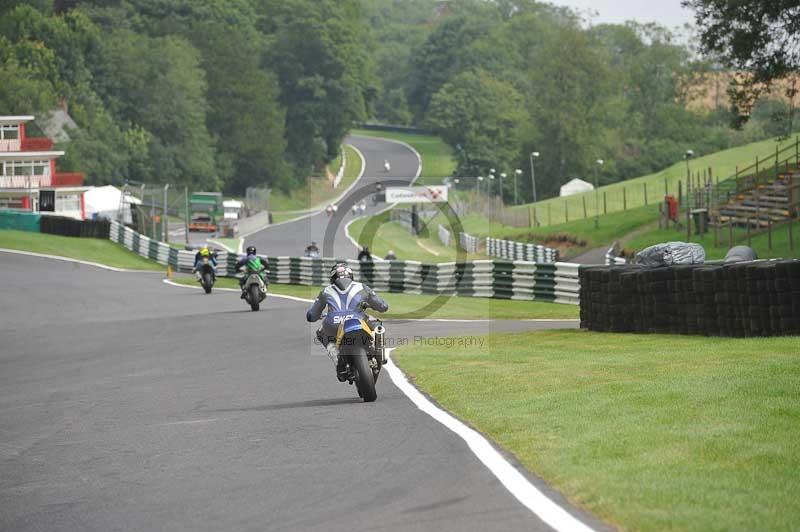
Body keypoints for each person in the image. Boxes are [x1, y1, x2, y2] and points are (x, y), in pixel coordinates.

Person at [306, 263, 388, 380]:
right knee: (377, 325)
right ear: (351, 275)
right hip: (359, 320)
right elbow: (383, 306)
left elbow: (311, 316)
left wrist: (315, 315)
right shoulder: (362, 287)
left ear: (332, 278)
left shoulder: (325, 291)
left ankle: (336, 356)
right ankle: (380, 353)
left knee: (321, 333)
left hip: (333, 324)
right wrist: (372, 306)